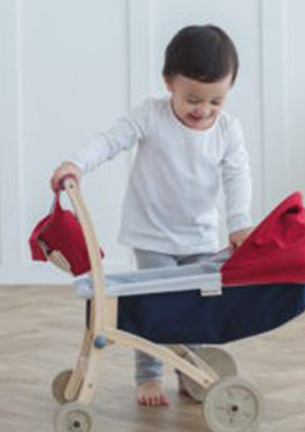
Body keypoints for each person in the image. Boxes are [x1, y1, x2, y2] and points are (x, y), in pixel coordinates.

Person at [50, 24, 253, 407]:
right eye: (193, 99)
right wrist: (76, 164)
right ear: (169, 83)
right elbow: (110, 140)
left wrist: (240, 222)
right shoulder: (151, 116)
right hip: (153, 235)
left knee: (194, 307)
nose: (204, 110)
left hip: (201, 237)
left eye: (216, 101)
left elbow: (237, 175)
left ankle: (190, 370)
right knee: (155, 305)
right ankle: (148, 376)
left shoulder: (228, 130)